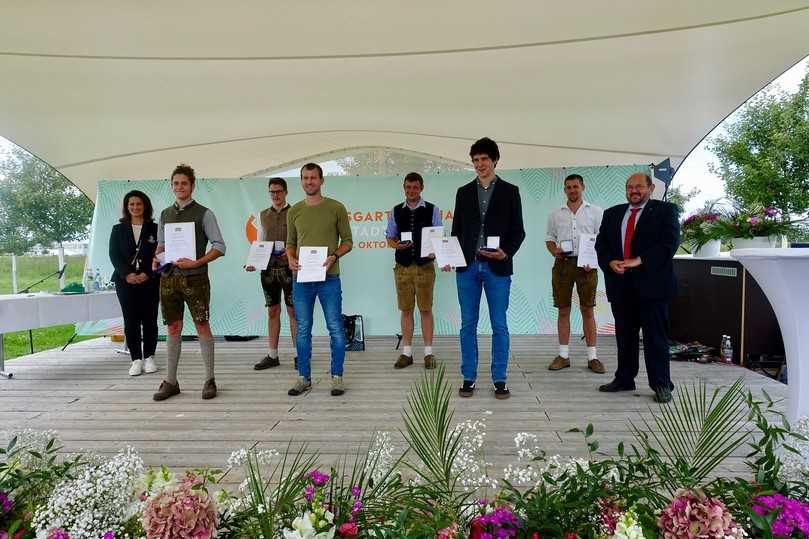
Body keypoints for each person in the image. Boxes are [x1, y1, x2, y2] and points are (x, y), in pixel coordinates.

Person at [444, 137, 525, 400]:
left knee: (499, 325)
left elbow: (518, 231)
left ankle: (499, 379)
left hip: (497, 268)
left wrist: (506, 252)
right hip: (467, 267)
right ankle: (469, 377)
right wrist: (450, 256)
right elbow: (457, 231)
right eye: (475, 160)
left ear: (495, 161)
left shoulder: (510, 191)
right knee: (468, 324)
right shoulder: (463, 192)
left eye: (484, 159)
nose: (479, 164)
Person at [594, 172, 679, 403]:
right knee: (624, 337)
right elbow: (601, 244)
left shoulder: (666, 211)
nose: (634, 190)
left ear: (651, 188)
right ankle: (624, 379)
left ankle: (661, 384)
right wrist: (610, 262)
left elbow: (669, 245)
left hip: (653, 287)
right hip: (621, 286)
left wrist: (638, 260)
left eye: (639, 186)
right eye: (630, 187)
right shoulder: (612, 213)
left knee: (655, 338)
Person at [151, 164, 226, 401]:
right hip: (169, 279)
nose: (180, 187)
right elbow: (162, 246)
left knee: (202, 325)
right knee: (173, 327)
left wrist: (196, 263)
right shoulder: (164, 214)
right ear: (171, 186)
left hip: (196, 279)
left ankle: (209, 379)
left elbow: (220, 246)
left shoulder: (205, 213)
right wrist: (156, 258)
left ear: (192, 186)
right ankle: (171, 381)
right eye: (176, 183)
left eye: (184, 183)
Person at [286, 163, 353, 397]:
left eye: (313, 178)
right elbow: (290, 243)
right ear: (301, 181)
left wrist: (334, 255)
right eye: (305, 178)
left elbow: (347, 241)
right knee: (303, 329)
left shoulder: (336, 208)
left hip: (329, 278)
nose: (309, 182)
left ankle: (337, 377)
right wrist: (291, 258)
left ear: (321, 180)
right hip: (301, 279)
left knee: (335, 327)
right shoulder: (294, 211)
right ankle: (303, 377)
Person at [545, 174, 605, 373]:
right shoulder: (555, 214)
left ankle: (593, 357)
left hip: (587, 265)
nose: (572, 190)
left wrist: (593, 259)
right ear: (565, 190)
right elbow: (549, 239)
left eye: (575, 186)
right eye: (568, 187)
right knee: (563, 310)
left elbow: (602, 241)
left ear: (582, 187)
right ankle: (563, 356)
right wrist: (554, 251)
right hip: (562, 264)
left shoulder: (596, 212)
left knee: (588, 310)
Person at [385, 172, 442, 370]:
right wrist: (396, 245)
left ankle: (428, 353)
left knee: (426, 309)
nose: (411, 191)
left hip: (425, 267)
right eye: (408, 187)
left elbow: (438, 237)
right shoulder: (394, 211)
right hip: (402, 267)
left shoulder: (433, 210)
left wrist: (436, 252)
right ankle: (407, 353)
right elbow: (390, 237)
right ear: (404, 188)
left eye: (415, 187)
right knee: (406, 310)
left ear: (421, 188)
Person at [246, 177, 298, 370]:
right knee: (272, 311)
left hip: (290, 269)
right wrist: (253, 262)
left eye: (278, 191)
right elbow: (259, 242)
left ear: (285, 192)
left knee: (294, 312)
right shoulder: (262, 215)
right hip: (268, 270)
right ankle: (272, 354)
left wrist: (293, 253)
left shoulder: (295, 212)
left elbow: (300, 239)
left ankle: (298, 355)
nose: (275, 195)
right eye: (272, 192)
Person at [109, 190, 160, 376]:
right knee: (130, 320)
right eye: (132, 204)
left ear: (145, 206)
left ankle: (149, 357)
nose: (135, 207)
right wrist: (127, 274)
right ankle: (136, 359)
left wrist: (147, 273)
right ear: (126, 207)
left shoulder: (154, 228)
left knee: (149, 319)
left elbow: (159, 253)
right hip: (125, 282)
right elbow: (114, 254)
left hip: (150, 280)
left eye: (139, 204)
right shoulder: (118, 229)